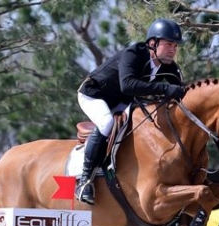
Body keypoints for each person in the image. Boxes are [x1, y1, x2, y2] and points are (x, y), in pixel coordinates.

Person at [75, 18, 186, 205]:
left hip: (121, 102)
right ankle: (85, 181)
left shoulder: (169, 67)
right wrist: (165, 89)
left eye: (175, 45)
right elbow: (127, 85)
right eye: (168, 44)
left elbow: (181, 92)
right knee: (107, 123)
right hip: (94, 95)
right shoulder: (133, 54)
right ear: (153, 43)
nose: (173, 49)